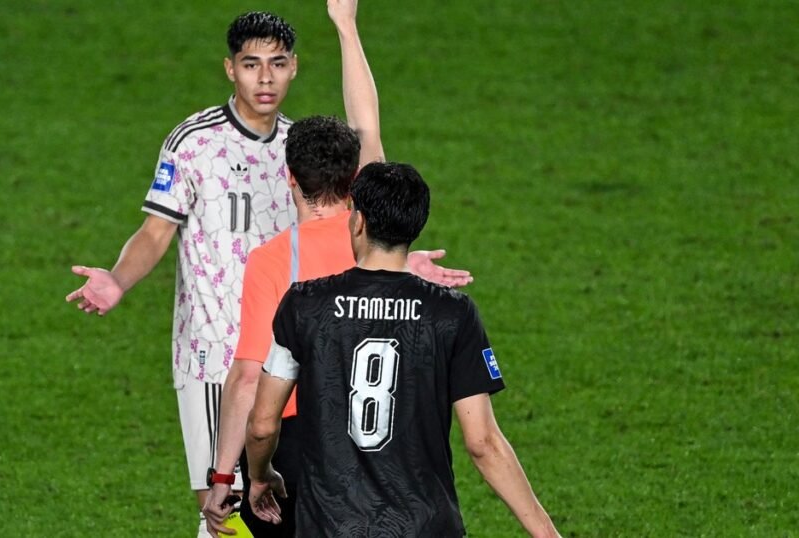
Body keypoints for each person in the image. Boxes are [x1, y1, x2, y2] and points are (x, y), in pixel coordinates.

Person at [65, 8, 467, 536]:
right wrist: (119, 279)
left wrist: (396, 257)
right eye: (251, 64)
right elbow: (156, 231)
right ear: (230, 68)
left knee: (262, 508)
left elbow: (356, 198)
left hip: (295, 358)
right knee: (227, 510)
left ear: (294, 67)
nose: (265, 78)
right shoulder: (194, 142)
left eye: (277, 63)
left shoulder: (305, 147)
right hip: (216, 355)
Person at [203, 2, 471, 536]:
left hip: (302, 442)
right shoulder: (373, 233)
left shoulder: (273, 260)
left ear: (289, 177)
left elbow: (249, 378)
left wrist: (224, 475)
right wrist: (346, 26)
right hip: (388, 434)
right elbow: (366, 124)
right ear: (355, 179)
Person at [244, 163, 561, 537]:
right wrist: (546, 533)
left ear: (358, 222)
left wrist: (260, 475)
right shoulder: (452, 313)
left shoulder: (304, 305)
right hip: (425, 527)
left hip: (331, 527)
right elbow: (483, 443)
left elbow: (263, 425)